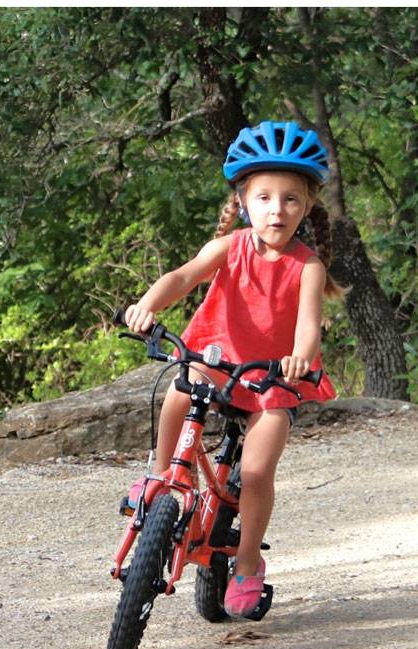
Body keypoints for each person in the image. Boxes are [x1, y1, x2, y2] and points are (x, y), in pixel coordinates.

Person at [122, 120, 342, 617]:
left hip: (271, 379)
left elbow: (309, 325)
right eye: (264, 197)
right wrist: (147, 305)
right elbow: (182, 275)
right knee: (181, 387)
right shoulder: (231, 246)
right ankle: (161, 477)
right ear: (244, 201)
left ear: (307, 207)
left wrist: (301, 355)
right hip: (217, 361)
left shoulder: (308, 266)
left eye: (290, 199)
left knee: (257, 469)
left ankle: (246, 563)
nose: (276, 209)